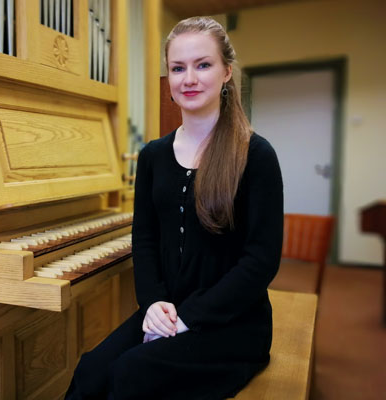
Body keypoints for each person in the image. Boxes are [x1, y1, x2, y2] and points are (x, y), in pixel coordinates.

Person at [65, 16, 283, 400]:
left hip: (233, 323)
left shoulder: (256, 154)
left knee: (131, 376)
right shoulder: (152, 155)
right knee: (92, 371)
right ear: (168, 79)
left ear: (227, 72)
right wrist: (152, 304)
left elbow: (261, 260)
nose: (189, 78)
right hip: (168, 311)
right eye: (178, 68)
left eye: (203, 65)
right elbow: (145, 240)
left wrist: (189, 317)